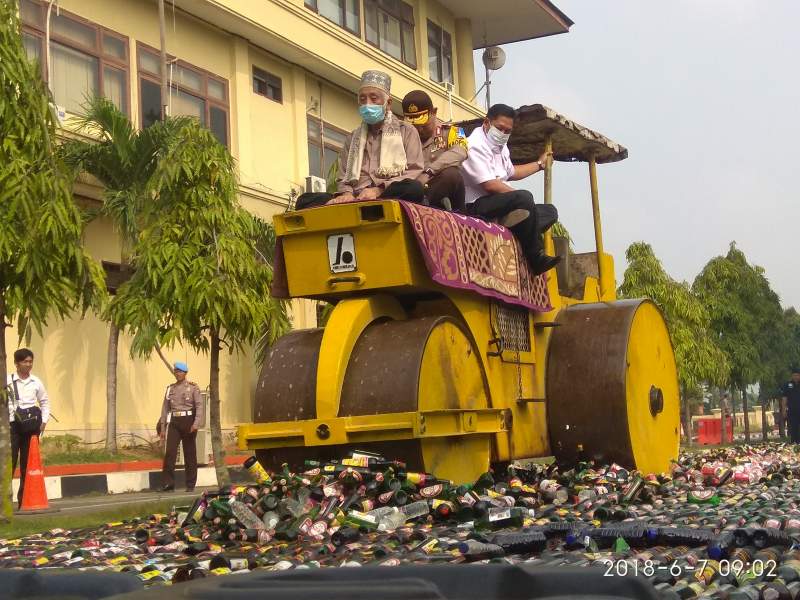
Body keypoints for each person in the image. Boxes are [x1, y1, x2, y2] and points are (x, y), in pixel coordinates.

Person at [295, 70, 425, 209]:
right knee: (304, 200)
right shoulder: (352, 138)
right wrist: (346, 194)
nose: (367, 104)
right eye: (362, 100)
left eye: (373, 99)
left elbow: (414, 170)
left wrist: (378, 190)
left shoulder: (406, 131)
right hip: (355, 197)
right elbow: (343, 177)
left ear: (388, 103)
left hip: (386, 193)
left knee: (414, 188)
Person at [460, 103, 561, 276]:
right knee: (525, 199)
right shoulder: (474, 145)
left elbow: (512, 172)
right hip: (475, 206)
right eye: (500, 129)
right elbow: (490, 185)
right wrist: (521, 199)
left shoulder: (500, 146)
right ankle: (536, 256)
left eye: (508, 131)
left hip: (497, 205)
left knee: (550, 212)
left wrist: (539, 164)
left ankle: (511, 224)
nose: (503, 134)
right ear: (486, 123)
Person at [401, 90, 468, 211]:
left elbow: (460, 152)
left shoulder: (454, 131)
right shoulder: (402, 137)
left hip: (441, 188)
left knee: (452, 174)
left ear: (434, 112)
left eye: (423, 125)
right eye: (414, 126)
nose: (419, 130)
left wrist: (428, 172)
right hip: (413, 191)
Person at [6, 348, 49, 507]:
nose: (29, 364)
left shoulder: (36, 382)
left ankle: (23, 500)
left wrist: (43, 421)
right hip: (12, 427)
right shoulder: (8, 380)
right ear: (17, 363)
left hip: (31, 428)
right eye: (25, 361)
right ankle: (4, 500)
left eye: (30, 361)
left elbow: (44, 402)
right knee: (8, 463)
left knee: (27, 464)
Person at [158, 361, 203, 492]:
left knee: (189, 453)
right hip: (174, 421)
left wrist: (196, 424)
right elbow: (165, 408)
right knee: (170, 453)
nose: (178, 374)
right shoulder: (170, 389)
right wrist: (162, 427)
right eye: (176, 371)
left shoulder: (193, 388)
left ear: (185, 373)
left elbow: (199, 406)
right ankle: (168, 484)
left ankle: (190, 485)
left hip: (189, 421)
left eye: (181, 372)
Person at [781, 368, 800, 443]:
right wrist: (783, 410)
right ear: (792, 376)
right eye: (794, 375)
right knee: (793, 427)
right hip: (792, 410)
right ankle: (794, 443)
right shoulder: (787, 385)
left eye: (797, 375)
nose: (796, 377)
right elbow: (784, 398)